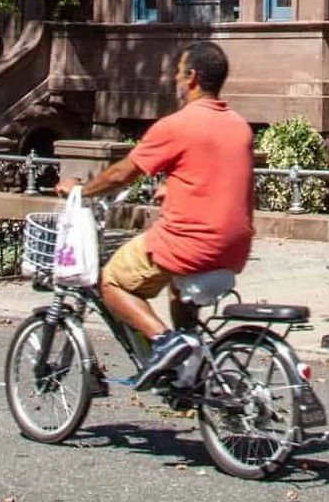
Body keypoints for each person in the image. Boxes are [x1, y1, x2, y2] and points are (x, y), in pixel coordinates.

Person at [60, 40, 253, 389]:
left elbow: (123, 173)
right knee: (178, 290)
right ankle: (188, 376)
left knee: (112, 281)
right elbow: (214, 174)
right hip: (235, 247)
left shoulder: (178, 125)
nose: (175, 82)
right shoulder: (239, 125)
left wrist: (80, 190)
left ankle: (167, 343)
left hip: (190, 242)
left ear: (192, 77)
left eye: (178, 74)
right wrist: (173, 188)